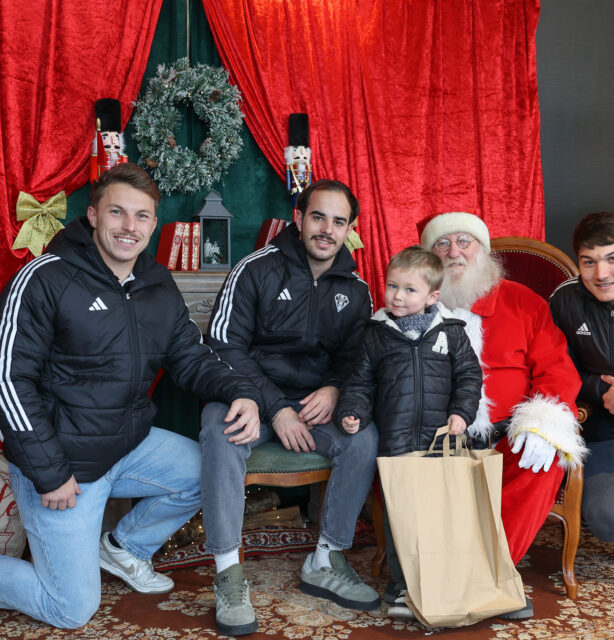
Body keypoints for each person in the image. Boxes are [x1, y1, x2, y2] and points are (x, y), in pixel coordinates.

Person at [0, 164, 262, 629]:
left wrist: (241, 391)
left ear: (153, 223)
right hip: (65, 463)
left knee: (210, 470)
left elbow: (189, 356)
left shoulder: (156, 284)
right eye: (118, 212)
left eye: (142, 216)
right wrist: (49, 471)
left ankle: (123, 548)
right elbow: (8, 381)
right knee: (71, 608)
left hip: (128, 443)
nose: (129, 227)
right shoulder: (44, 278)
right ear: (94, 214)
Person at [201, 179, 379, 636]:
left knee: (364, 438)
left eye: (339, 222)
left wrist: (337, 389)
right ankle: (227, 571)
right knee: (219, 431)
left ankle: (324, 559)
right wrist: (274, 407)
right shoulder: (255, 269)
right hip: (250, 398)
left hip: (316, 404)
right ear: (298, 218)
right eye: (318, 217)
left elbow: (361, 359)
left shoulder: (356, 290)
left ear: (348, 229)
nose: (327, 229)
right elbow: (224, 346)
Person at [418, 211, 587, 619]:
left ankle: (486, 575)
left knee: (544, 459)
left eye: (464, 242)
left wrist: (543, 424)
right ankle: (445, 576)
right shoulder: (412, 303)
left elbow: (556, 370)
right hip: (436, 434)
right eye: (442, 244)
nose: (453, 252)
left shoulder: (523, 303)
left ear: (484, 251)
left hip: (507, 434)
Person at [334, 245, 483, 618]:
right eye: (392, 286)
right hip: (396, 442)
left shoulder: (452, 332)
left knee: (440, 515)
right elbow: (360, 382)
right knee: (402, 516)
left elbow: (469, 376)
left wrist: (462, 413)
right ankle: (404, 586)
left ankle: (445, 581)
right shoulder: (376, 334)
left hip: (440, 442)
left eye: (409, 290)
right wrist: (352, 411)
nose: (398, 296)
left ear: (433, 296)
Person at [549, 212, 614, 569]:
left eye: (613, 258)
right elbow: (557, 368)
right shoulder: (565, 302)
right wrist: (605, 393)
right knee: (607, 519)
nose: (601, 274)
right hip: (609, 429)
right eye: (589, 262)